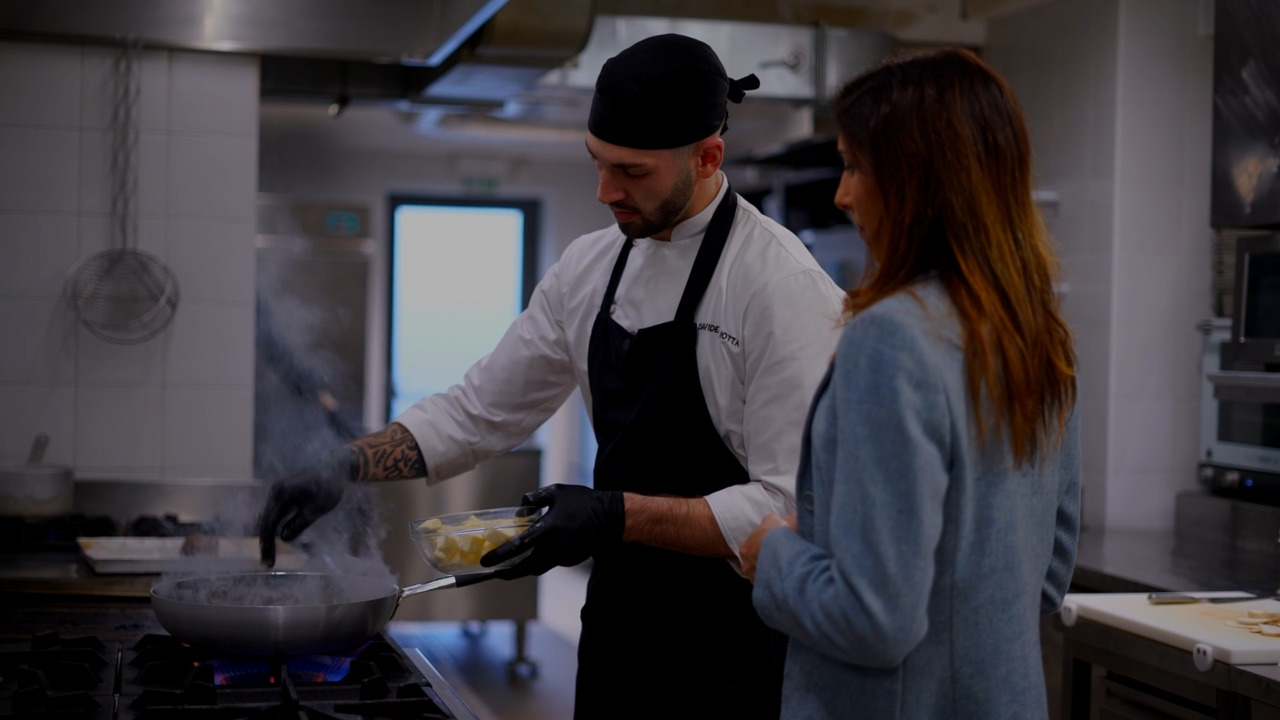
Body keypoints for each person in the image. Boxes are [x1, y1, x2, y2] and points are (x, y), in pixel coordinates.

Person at [257, 33, 847, 719]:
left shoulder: (780, 288)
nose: (604, 191)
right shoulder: (591, 266)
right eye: (596, 162)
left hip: (733, 644)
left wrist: (613, 514)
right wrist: (346, 464)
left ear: (708, 158)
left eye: (631, 172)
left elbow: (789, 508)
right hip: (620, 627)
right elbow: (480, 409)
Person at [738, 47, 1081, 719]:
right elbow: (1046, 576)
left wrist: (773, 554)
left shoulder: (892, 338)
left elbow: (875, 621)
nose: (841, 195)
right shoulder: (1037, 332)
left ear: (917, 179)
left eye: (854, 166)